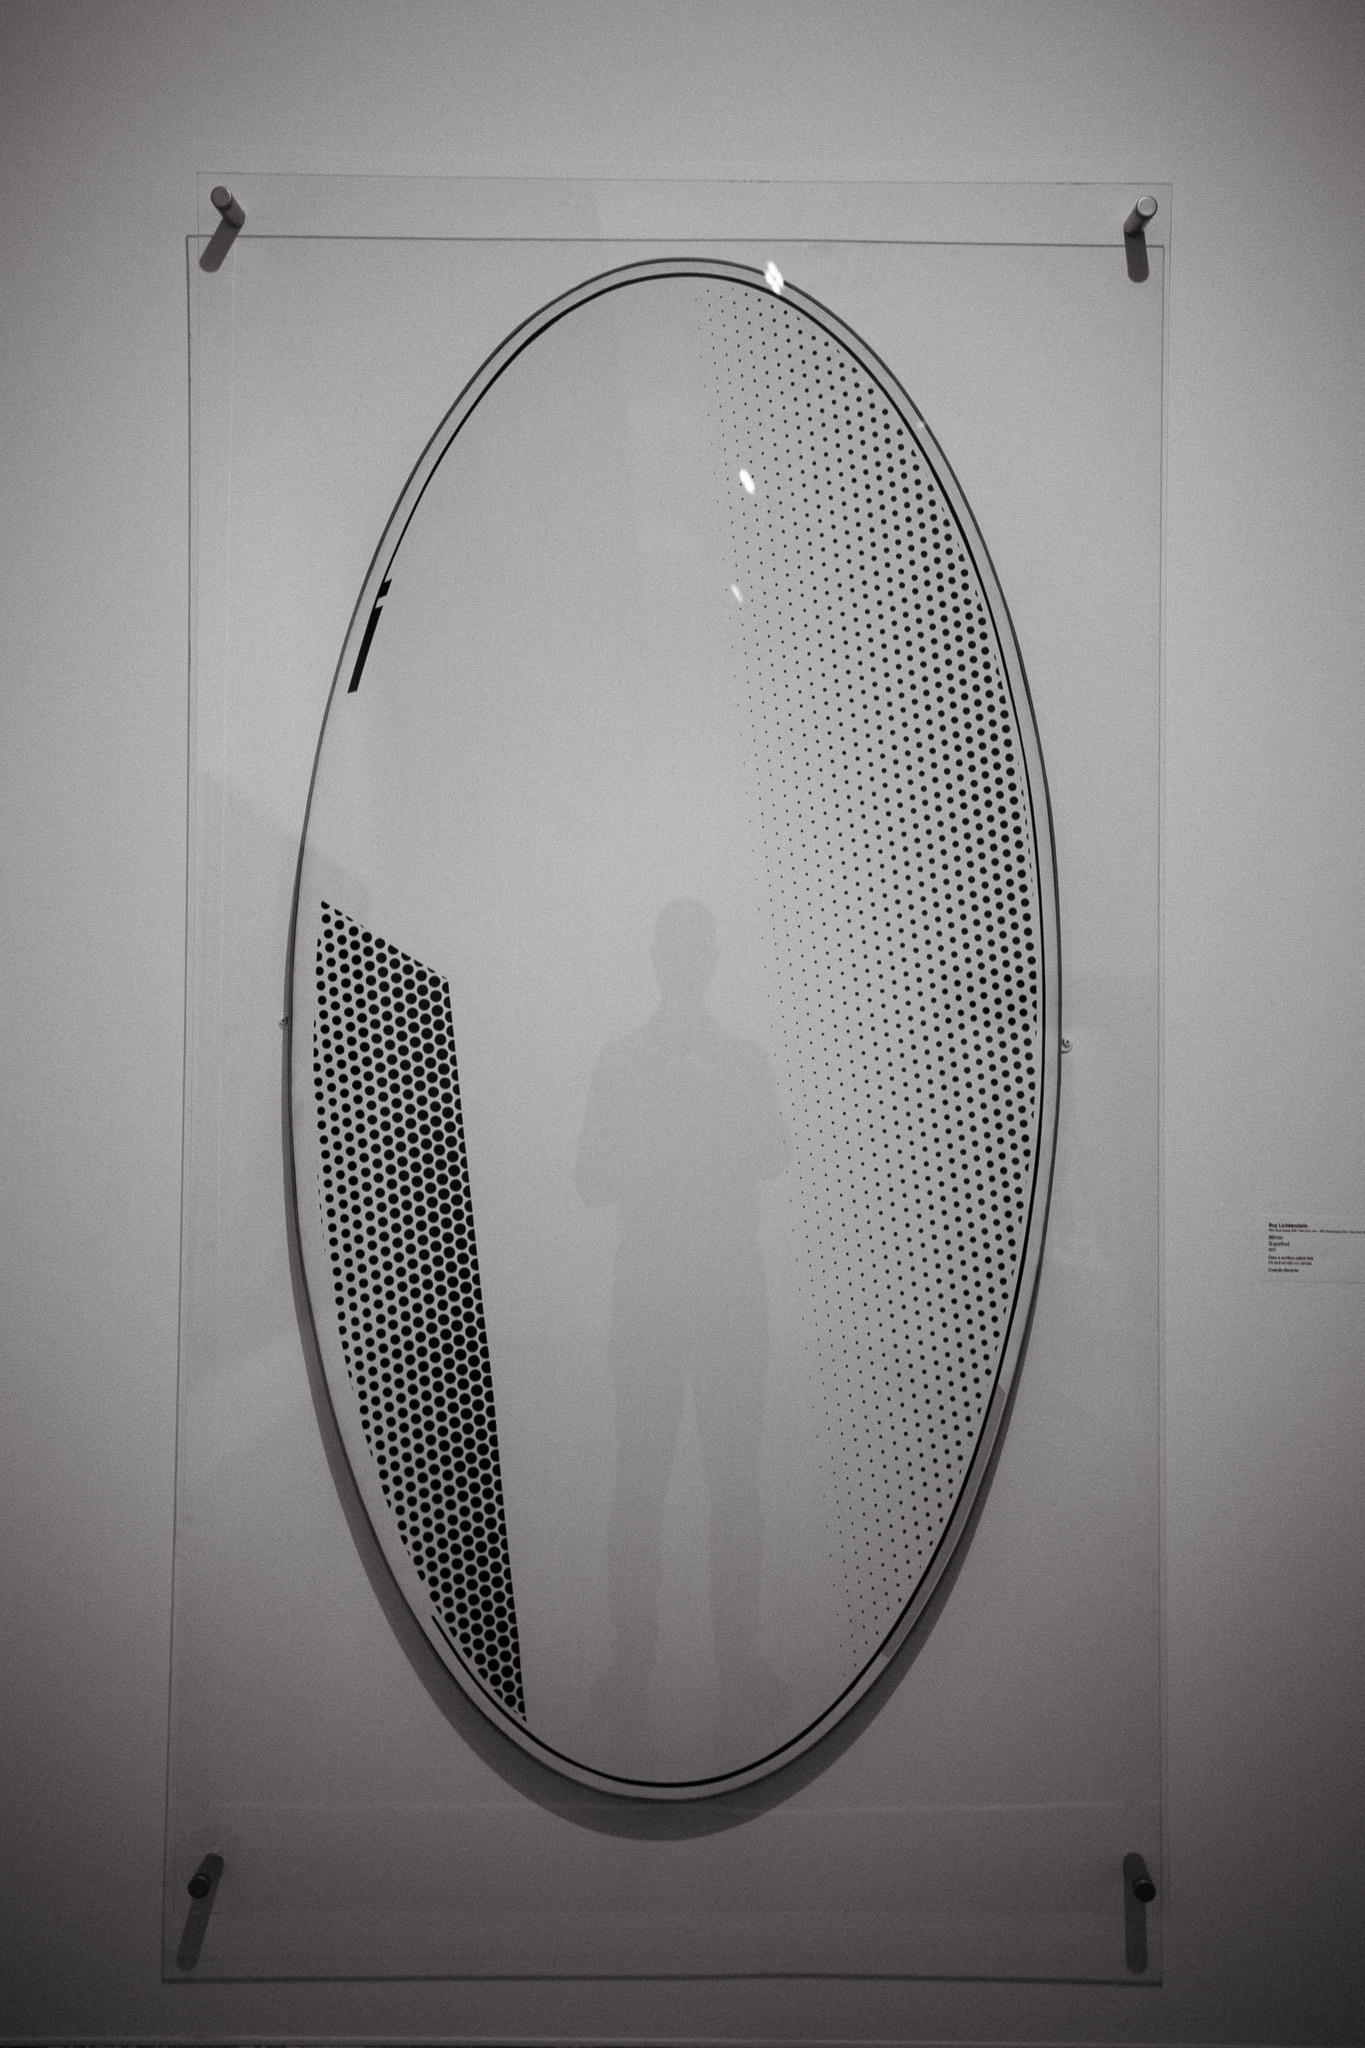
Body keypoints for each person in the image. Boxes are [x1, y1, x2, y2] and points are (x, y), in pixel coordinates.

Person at [575, 899, 791, 1736]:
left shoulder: (740, 1061)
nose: (688, 965)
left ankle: (731, 1659)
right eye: (679, 951)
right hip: (658, 1296)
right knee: (643, 1481)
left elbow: (773, 1154)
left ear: (709, 963)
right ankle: (636, 1661)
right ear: (660, 960)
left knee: (731, 1484)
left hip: (722, 1295)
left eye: (698, 951)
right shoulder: (624, 1062)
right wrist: (660, 1127)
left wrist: (719, 1098)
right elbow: (590, 1178)